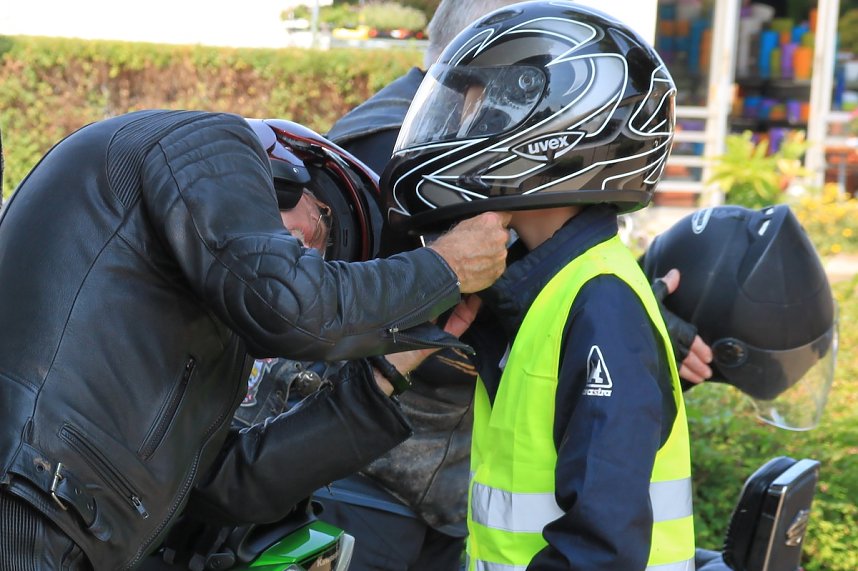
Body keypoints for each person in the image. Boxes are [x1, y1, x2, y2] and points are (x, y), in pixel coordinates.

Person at [0, 109, 512, 570]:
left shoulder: (192, 321)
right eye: (322, 240)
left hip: (64, 521)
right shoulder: (208, 142)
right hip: (27, 501)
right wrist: (444, 266)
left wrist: (385, 373)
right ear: (291, 178)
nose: (308, 262)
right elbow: (293, 305)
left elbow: (226, 485)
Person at [381, 2, 694, 569]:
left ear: (551, 129)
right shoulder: (537, 285)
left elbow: (601, 548)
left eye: (476, 110)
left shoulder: (600, 301)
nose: (457, 130)